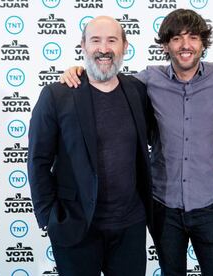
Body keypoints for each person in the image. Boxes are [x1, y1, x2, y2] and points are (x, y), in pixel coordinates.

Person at [60, 9, 213, 276]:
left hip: (210, 206)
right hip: (163, 207)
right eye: (177, 38)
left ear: (203, 43)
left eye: (193, 37)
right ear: (166, 45)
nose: (185, 45)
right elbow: (108, 83)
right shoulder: (148, 80)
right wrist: (79, 71)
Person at [27, 16, 153, 276]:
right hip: (76, 227)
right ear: (83, 46)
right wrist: (48, 217)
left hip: (130, 228)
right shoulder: (57, 95)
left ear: (125, 46)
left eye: (112, 40)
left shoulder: (137, 90)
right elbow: (38, 160)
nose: (103, 48)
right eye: (95, 40)